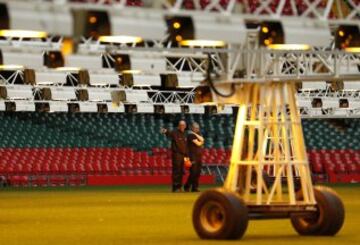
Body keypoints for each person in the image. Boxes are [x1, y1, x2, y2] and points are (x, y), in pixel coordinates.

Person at [161, 120, 189, 192]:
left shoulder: (186, 134)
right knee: (176, 171)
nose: (182, 126)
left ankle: (179, 187)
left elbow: (187, 145)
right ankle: (175, 187)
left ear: (185, 126)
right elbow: (168, 133)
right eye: (181, 125)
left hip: (184, 155)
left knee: (181, 171)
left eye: (183, 125)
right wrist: (164, 131)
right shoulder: (174, 132)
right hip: (177, 155)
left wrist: (187, 156)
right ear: (178, 126)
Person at [184, 122, 204, 192]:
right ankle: (187, 186)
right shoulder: (190, 135)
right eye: (195, 128)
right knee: (193, 172)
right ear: (192, 128)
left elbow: (202, 139)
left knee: (198, 172)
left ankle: (195, 188)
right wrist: (201, 142)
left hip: (199, 156)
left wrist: (195, 134)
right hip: (192, 156)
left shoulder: (195, 134)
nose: (197, 129)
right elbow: (198, 143)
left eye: (198, 128)